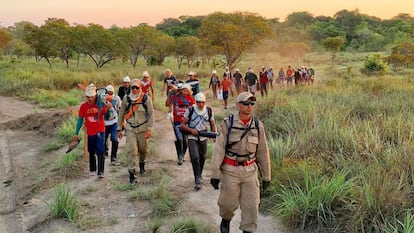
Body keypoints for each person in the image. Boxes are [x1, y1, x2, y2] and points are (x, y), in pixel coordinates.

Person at [210, 92, 271, 233]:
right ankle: (226, 220)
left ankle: (248, 229)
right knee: (227, 204)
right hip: (230, 170)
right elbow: (218, 149)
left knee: (252, 206)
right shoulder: (228, 123)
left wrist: (266, 176)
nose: (249, 106)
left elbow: (263, 152)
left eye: (252, 103)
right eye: (246, 103)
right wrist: (215, 174)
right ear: (238, 105)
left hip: (250, 171)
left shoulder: (257, 126)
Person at [117, 79, 154, 184]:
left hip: (143, 129)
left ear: (140, 88)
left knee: (143, 150)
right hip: (130, 128)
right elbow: (121, 114)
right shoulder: (126, 99)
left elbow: (151, 114)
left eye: (137, 87)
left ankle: (142, 163)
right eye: (133, 87)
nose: (135, 89)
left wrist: (150, 128)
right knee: (132, 150)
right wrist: (119, 128)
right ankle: (132, 174)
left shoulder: (146, 98)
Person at [180, 93, 216, 190]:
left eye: (202, 102)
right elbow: (182, 125)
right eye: (199, 102)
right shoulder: (191, 110)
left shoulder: (208, 110)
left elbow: (212, 123)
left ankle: (199, 174)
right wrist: (191, 131)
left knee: (202, 157)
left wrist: (214, 135)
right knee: (194, 156)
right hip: (192, 136)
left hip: (203, 136)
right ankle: (197, 178)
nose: (201, 104)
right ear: (196, 102)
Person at [73, 83, 110, 178]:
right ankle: (92, 169)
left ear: (95, 96)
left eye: (92, 97)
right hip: (90, 132)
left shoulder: (100, 104)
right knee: (91, 151)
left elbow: (107, 115)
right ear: (86, 96)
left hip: (100, 130)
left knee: (100, 150)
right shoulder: (83, 107)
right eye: (88, 97)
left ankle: (101, 171)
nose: (90, 99)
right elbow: (80, 120)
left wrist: (108, 107)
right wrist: (76, 133)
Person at [166, 83, 195, 165]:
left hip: (187, 123)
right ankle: (180, 157)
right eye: (183, 90)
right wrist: (170, 94)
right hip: (177, 121)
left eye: (186, 91)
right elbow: (167, 104)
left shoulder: (190, 99)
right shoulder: (175, 97)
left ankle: (181, 155)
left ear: (189, 91)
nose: (185, 92)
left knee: (185, 140)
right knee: (179, 139)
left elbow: (194, 109)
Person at [104, 85, 122, 165]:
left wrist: (122, 122)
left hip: (114, 122)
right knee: (103, 139)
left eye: (111, 93)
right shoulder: (102, 99)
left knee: (115, 139)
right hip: (104, 123)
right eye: (108, 93)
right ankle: (105, 152)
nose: (109, 94)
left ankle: (113, 158)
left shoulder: (116, 98)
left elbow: (120, 110)